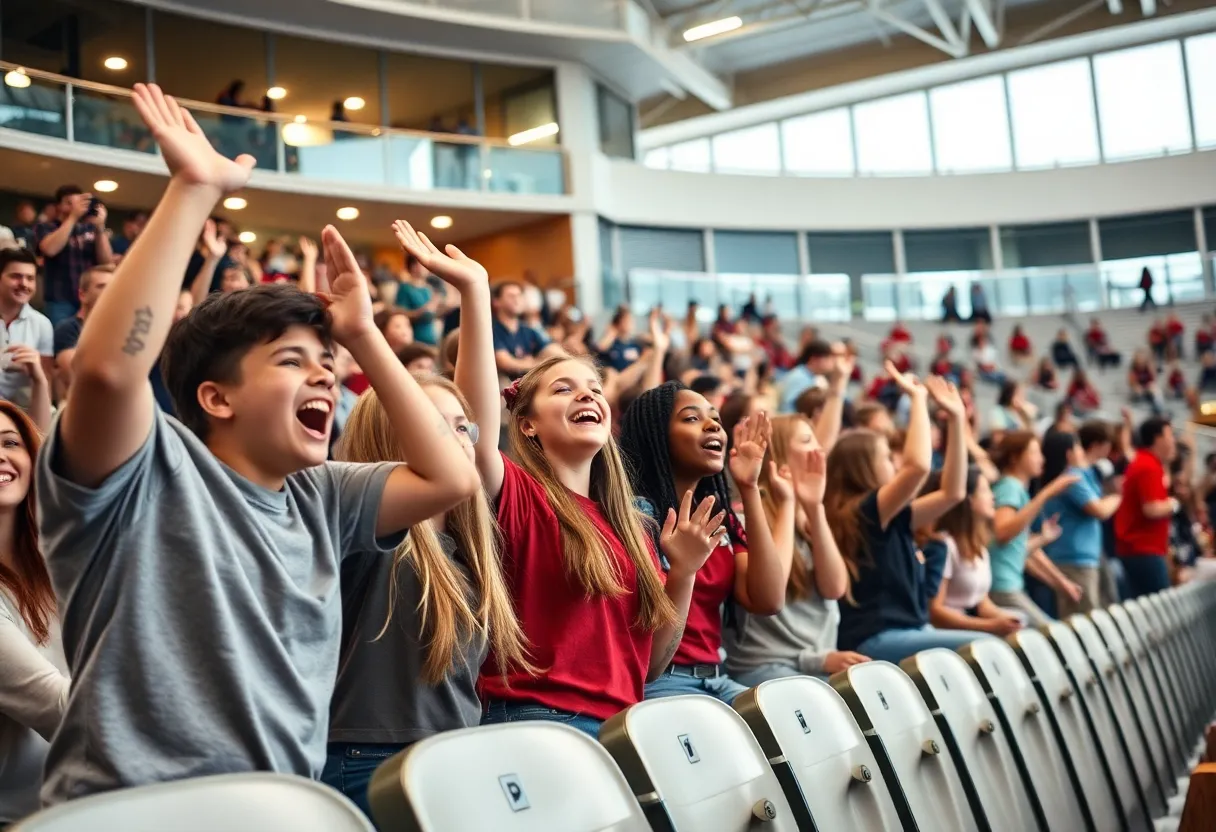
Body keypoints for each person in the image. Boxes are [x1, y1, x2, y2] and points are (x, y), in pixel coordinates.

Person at [35, 84, 482, 804]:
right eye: (290, 362)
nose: (323, 379)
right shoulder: (144, 473)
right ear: (216, 397)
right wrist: (193, 189)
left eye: (327, 367)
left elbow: (451, 478)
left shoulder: (322, 494)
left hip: (282, 808)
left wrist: (363, 335)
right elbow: (109, 369)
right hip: (133, 810)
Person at [322, 223, 532, 820]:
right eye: (436, 427)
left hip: (459, 754)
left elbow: (477, 420)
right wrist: (364, 337)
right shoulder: (361, 529)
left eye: (461, 429)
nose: (460, 438)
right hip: (368, 761)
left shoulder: (468, 536)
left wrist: (475, 291)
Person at [619, 386, 794, 705]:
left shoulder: (720, 521)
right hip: (660, 683)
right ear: (656, 435)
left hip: (717, 679)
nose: (714, 425)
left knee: (788, 719)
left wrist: (749, 487)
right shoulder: (633, 517)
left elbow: (768, 599)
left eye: (715, 418)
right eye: (691, 418)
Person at [825, 364, 979, 665]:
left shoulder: (887, 514)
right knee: (985, 646)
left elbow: (953, 493)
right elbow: (918, 466)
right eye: (885, 457)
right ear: (863, 467)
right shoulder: (865, 511)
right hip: (878, 638)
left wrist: (958, 420)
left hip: (909, 630)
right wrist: (918, 399)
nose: (894, 465)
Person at [725, 415, 864, 684]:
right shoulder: (748, 523)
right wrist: (788, 503)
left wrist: (814, 506)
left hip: (817, 665)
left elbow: (835, 587)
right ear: (778, 455)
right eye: (806, 440)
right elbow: (771, 596)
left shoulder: (808, 522)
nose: (819, 449)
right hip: (766, 668)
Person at [0, 401, 69, 825]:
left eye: (10, 442)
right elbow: (60, 710)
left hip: (92, 800)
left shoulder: (66, 563)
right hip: (25, 819)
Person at [987, 432, 1082, 626]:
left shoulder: (1017, 489)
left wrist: (1060, 582)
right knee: (1050, 636)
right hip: (1002, 586)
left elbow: (1024, 550)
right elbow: (1002, 532)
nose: (1042, 459)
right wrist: (1046, 493)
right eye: (1034, 453)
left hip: (1010, 585)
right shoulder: (1010, 487)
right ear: (1015, 457)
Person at [920, 469, 1022, 636]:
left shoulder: (981, 547)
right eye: (984, 490)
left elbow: (982, 603)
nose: (993, 496)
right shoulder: (945, 545)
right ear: (969, 500)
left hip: (969, 625)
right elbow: (935, 611)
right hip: (946, 630)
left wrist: (1007, 620)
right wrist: (989, 626)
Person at [1040, 431, 1121, 617]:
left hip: (1079, 559)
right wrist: (1117, 498)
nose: (1081, 452)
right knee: (1082, 622)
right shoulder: (1071, 477)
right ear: (1069, 453)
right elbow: (1099, 509)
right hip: (1075, 562)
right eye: (1077, 447)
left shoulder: (1075, 475)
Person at [1113, 417, 1179, 598]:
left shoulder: (1147, 463)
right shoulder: (1148, 466)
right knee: (1160, 609)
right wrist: (1173, 504)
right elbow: (1151, 509)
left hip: (1140, 549)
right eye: (1170, 435)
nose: (1173, 440)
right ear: (1158, 438)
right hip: (1143, 550)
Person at [34, 186, 114, 326]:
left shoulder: (91, 229)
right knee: (61, 341)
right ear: (58, 206)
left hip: (89, 298)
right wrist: (72, 218)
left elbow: (107, 263)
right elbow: (50, 249)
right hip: (59, 299)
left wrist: (100, 227)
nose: (74, 207)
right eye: (69, 203)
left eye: (79, 203)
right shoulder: (46, 227)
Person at [0, 248, 55, 415]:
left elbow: (46, 382)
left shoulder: (42, 324)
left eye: (30, 278)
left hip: (19, 412)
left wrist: (34, 367)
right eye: (16, 276)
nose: (24, 284)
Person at [53, 266, 113, 397]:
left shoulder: (117, 331)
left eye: (113, 286)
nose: (110, 291)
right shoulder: (68, 329)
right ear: (82, 295)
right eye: (101, 286)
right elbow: (75, 375)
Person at [491, 282, 550, 380]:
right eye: (511, 296)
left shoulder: (528, 330)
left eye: (519, 295)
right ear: (496, 302)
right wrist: (537, 363)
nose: (516, 299)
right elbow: (506, 364)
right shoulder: (492, 330)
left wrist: (568, 360)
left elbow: (551, 348)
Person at [778, 339, 835, 413]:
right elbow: (787, 408)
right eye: (827, 358)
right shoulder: (800, 377)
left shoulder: (810, 376)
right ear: (814, 359)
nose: (831, 362)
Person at [395, 254, 440, 346]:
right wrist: (425, 309)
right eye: (423, 264)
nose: (427, 268)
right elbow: (401, 315)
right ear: (413, 266)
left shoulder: (428, 288)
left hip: (431, 339)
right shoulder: (405, 288)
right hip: (414, 341)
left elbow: (433, 314)